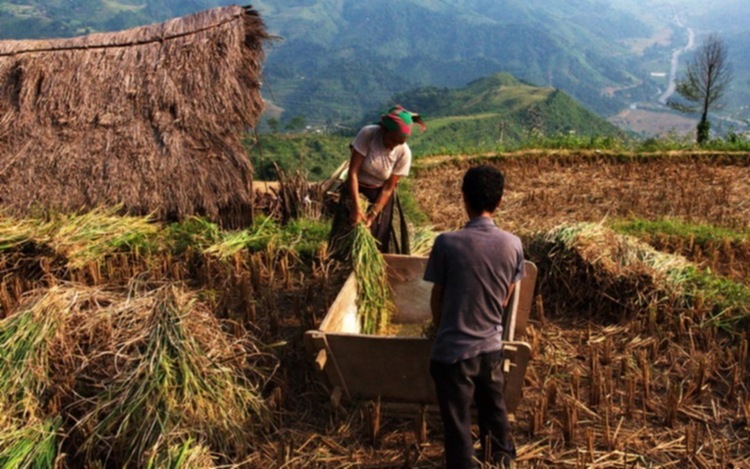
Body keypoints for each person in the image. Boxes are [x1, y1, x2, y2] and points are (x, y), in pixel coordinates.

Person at [423, 165, 524, 468]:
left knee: (458, 422)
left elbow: (437, 297)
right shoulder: (513, 244)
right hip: (491, 348)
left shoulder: (446, 243)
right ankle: (503, 459)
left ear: (464, 198)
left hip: (453, 353)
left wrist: (441, 328)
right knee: (494, 411)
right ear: (500, 201)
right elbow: (506, 295)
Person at [328, 105, 425, 258]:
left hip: (380, 195)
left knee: (377, 236)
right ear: (384, 131)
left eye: (400, 143)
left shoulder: (404, 153)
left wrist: (372, 215)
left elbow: (388, 188)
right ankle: (340, 267)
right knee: (346, 233)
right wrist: (356, 207)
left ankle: (372, 264)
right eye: (393, 140)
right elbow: (353, 172)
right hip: (355, 189)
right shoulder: (369, 134)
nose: (394, 145)